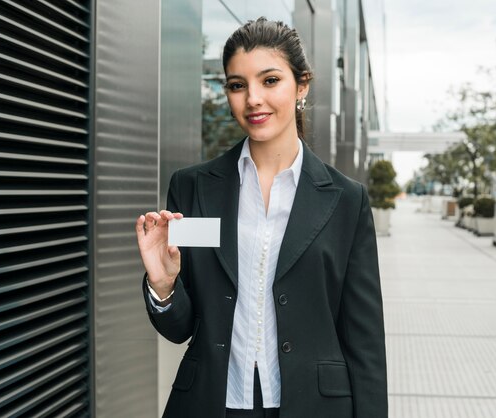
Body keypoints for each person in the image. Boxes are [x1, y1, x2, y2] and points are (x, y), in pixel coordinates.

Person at [135, 17, 387, 418]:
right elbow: (180, 328)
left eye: (270, 80)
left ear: (301, 85)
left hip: (313, 406)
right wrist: (163, 285)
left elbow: (365, 339)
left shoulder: (346, 201)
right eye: (238, 85)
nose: (253, 98)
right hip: (212, 404)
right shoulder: (193, 188)